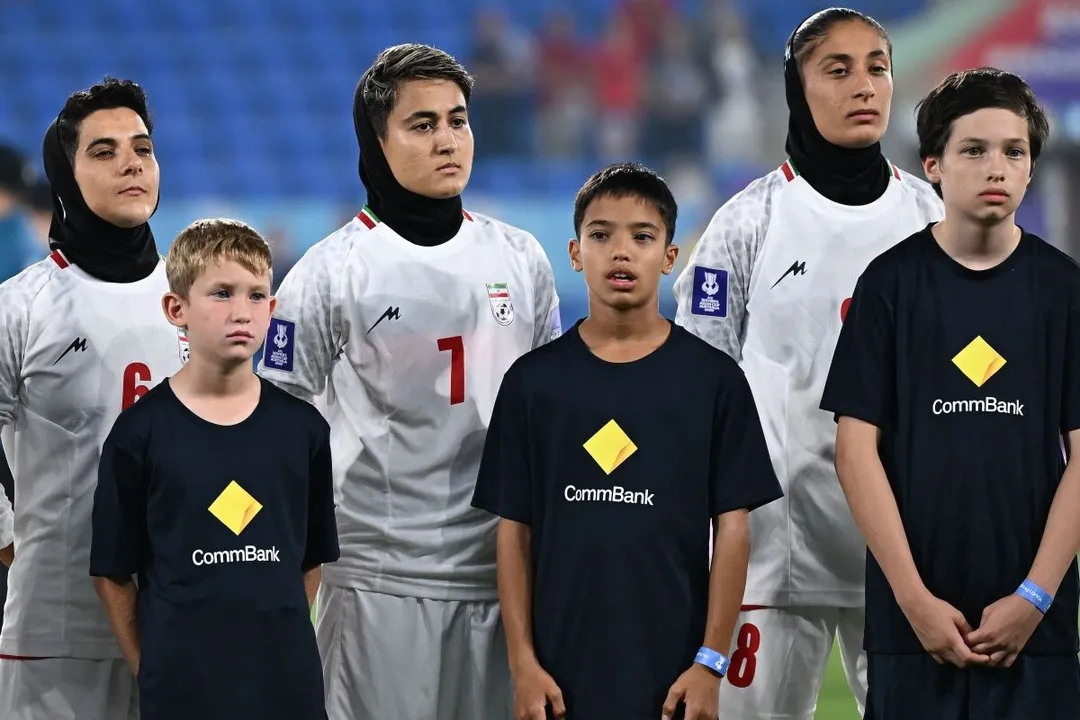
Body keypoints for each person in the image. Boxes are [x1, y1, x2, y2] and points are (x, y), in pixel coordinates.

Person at [256, 43, 561, 720]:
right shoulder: (330, 273)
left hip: (501, 578)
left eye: (457, 120)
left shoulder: (522, 259)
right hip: (378, 582)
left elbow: (551, 416)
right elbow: (273, 431)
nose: (447, 139)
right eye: (422, 125)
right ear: (377, 140)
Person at [672, 8, 945, 719]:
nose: (864, 86)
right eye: (838, 69)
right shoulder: (745, 224)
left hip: (904, 557)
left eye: (877, 68)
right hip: (770, 556)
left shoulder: (932, 221)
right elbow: (697, 387)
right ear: (797, 87)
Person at [472, 162, 783, 720]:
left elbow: (734, 530)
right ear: (574, 253)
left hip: (675, 680)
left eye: (642, 237)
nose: (621, 252)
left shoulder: (713, 381)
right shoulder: (532, 382)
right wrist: (522, 663)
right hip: (558, 683)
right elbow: (513, 531)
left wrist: (711, 663)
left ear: (669, 257)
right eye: (601, 235)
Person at [821, 67, 1080, 719]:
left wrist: (1036, 597)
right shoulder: (889, 285)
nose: (996, 167)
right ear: (933, 165)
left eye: (1013, 152)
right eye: (974, 150)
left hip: (1037, 636)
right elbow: (855, 452)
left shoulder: (1063, 290)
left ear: (1030, 169)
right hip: (913, 634)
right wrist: (914, 604)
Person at [90, 218, 339, 720]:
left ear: (272, 310)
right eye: (221, 293)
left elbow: (308, 561)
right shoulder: (140, 434)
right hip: (183, 691)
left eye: (255, 296)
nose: (240, 312)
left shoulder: (304, 430)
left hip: (288, 690)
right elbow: (113, 572)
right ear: (175, 308)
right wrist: (152, 666)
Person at [0, 77, 185, 720]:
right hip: (57, 636)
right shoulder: (21, 306)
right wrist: (11, 544)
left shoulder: (198, 303)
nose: (131, 162)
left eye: (142, 147)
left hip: (181, 623)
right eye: (103, 152)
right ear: (64, 176)